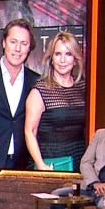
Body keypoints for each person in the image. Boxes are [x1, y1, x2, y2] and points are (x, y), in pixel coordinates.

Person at [24, 30, 87, 171]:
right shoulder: (40, 90)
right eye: (58, 54)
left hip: (80, 158)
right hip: (50, 161)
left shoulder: (83, 87)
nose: (62, 60)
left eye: (68, 54)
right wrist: (41, 165)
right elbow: (30, 132)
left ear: (75, 59)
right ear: (51, 58)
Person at [0, 18, 40, 170]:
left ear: (29, 48)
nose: (18, 49)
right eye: (13, 42)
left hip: (25, 164)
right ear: (3, 43)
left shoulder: (36, 81)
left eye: (24, 43)